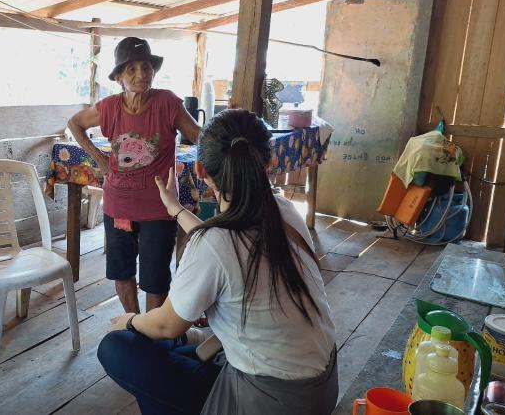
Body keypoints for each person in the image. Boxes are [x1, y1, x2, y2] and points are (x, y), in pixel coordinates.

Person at [97, 110, 338, 414]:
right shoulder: (285, 210)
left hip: (270, 400)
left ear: (200, 170)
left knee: (118, 347)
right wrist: (175, 209)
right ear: (269, 163)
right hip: (320, 389)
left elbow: (165, 325)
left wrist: (129, 321)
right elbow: (225, 243)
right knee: (180, 352)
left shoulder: (213, 244)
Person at [67, 37, 200, 314]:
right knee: (122, 271)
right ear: (119, 77)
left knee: (155, 279)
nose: (141, 74)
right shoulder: (109, 107)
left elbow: (200, 136)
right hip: (119, 205)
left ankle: (150, 331)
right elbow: (75, 123)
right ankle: (132, 324)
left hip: (159, 206)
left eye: (146, 67)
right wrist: (100, 160)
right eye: (132, 69)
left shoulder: (168, 103)